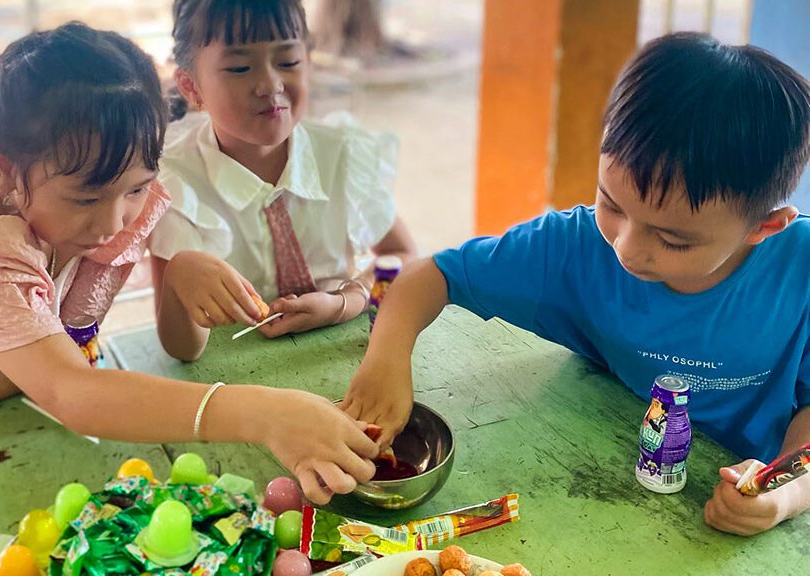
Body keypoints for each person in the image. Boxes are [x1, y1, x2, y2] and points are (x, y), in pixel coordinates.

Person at [0, 22, 377, 504]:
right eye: (86, 199)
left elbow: (71, 351)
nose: (112, 223)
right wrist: (266, 413)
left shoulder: (118, 204)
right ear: (5, 170)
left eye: (136, 189)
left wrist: (175, 271)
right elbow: (71, 390)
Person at [342, 32, 810, 534]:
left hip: (743, 509)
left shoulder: (799, 267)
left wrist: (787, 494)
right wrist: (386, 358)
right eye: (611, 204)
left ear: (764, 226)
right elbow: (429, 274)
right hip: (604, 488)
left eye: (673, 240)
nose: (627, 249)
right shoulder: (575, 246)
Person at [149, 0, 416, 361]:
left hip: (343, 357)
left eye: (288, 61)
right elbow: (182, 349)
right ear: (191, 86)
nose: (269, 84)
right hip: (235, 384)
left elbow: (402, 254)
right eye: (240, 67)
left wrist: (346, 301)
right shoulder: (176, 183)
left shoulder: (342, 154)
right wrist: (178, 278)